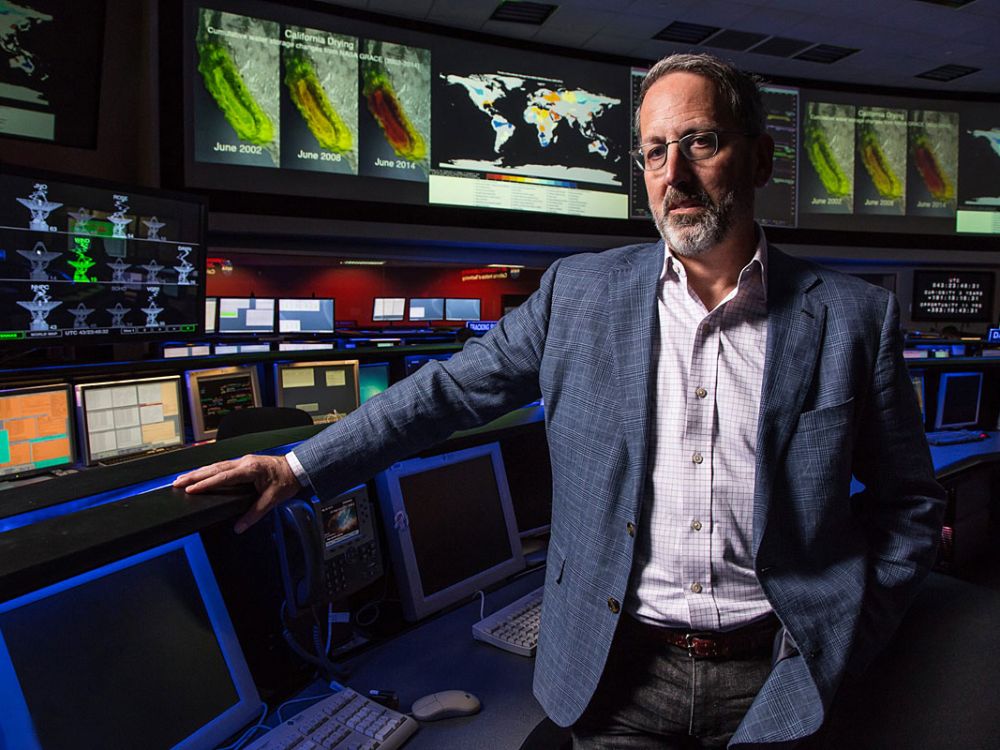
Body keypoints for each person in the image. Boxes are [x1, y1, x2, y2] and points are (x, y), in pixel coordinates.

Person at [176, 53, 945, 749]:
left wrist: (849, 632)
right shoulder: (578, 295)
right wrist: (299, 468)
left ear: (761, 158)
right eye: (653, 151)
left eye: (701, 143)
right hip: (618, 680)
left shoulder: (851, 318)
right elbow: (444, 393)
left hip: (777, 676)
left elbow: (909, 505)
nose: (672, 173)